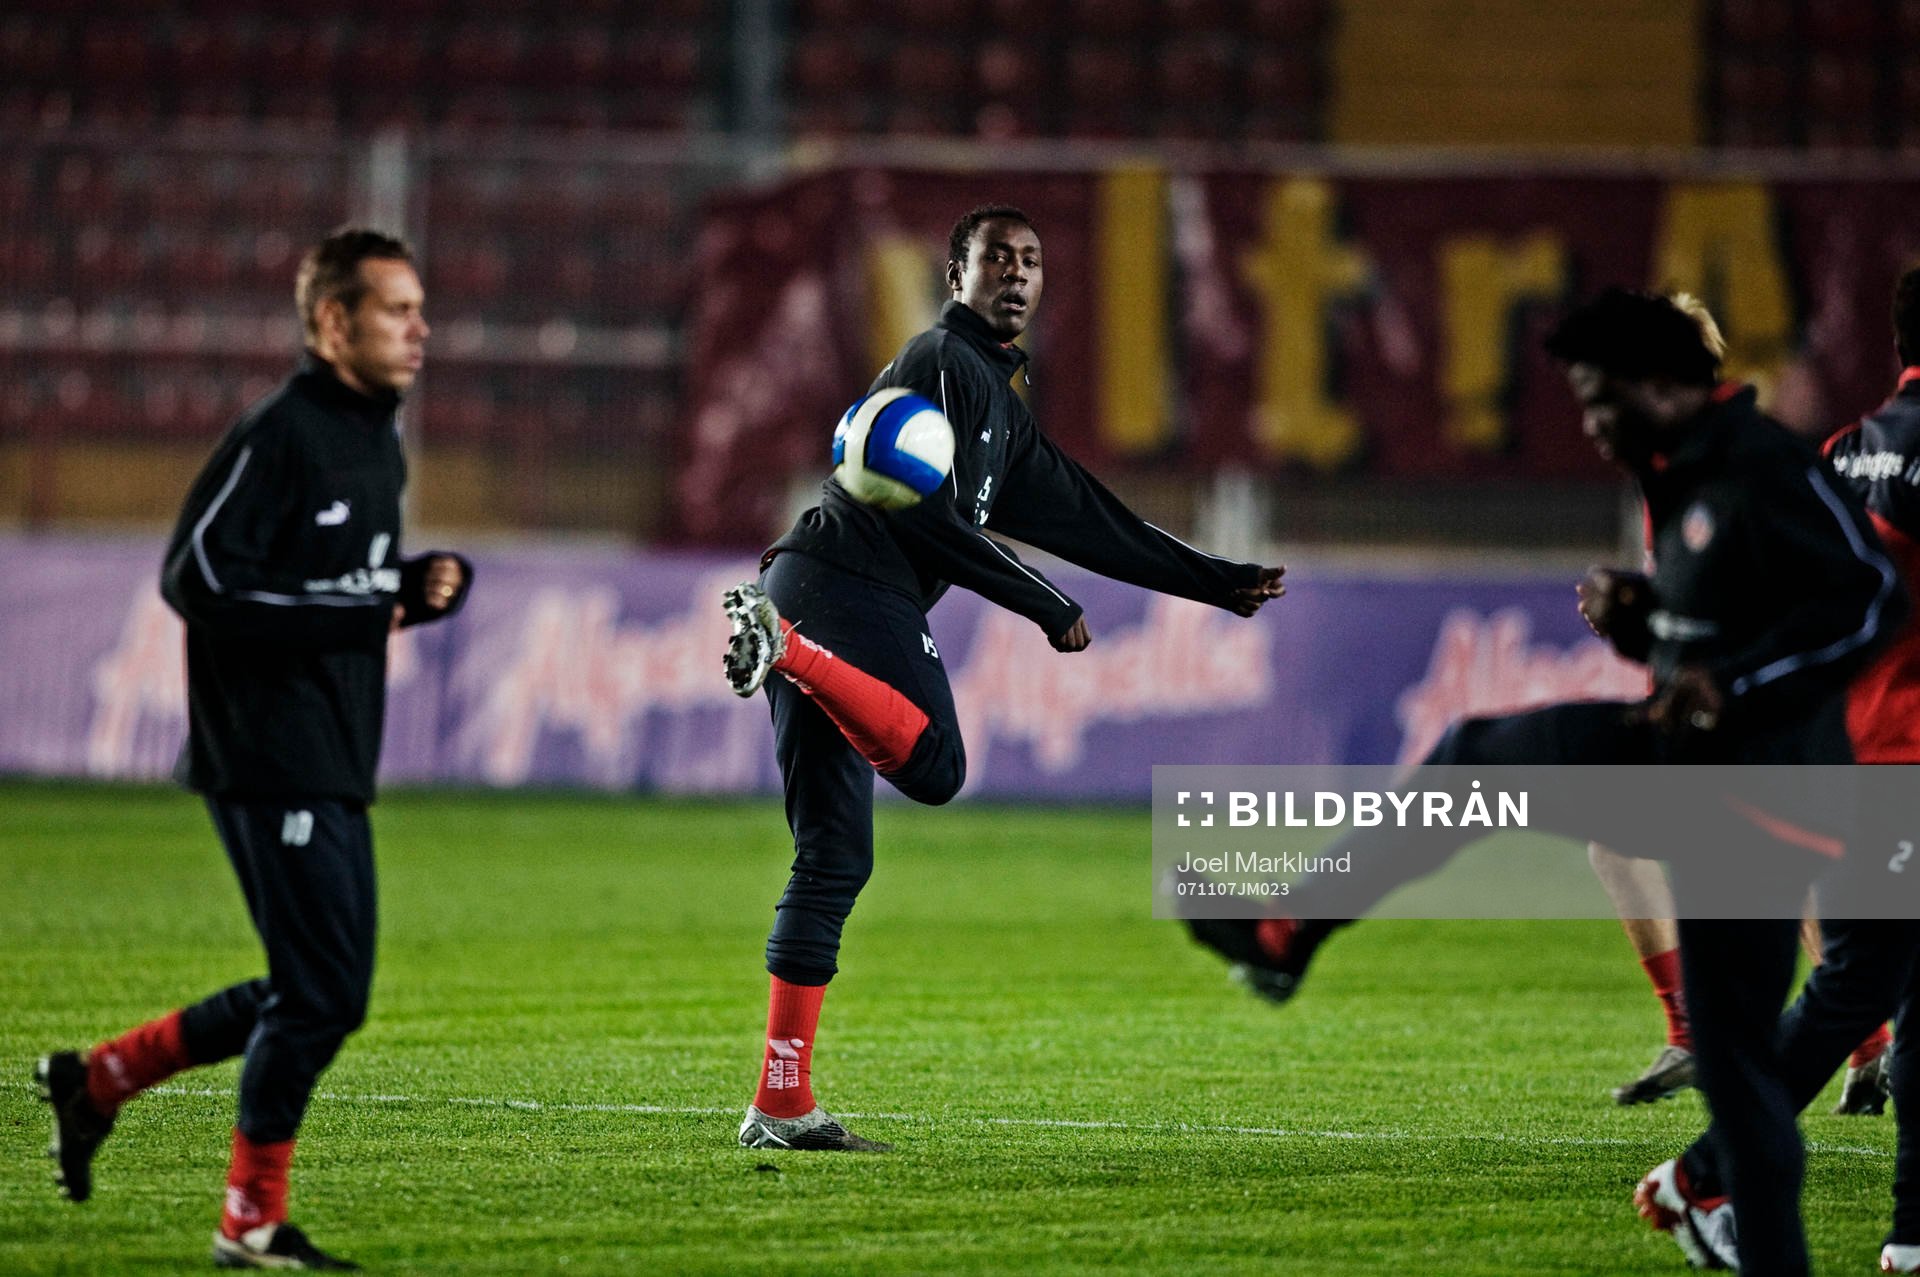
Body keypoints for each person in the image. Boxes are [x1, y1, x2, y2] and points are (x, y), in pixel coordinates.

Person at [1184, 287, 1903, 1276]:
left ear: (1666, 385)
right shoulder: (1686, 468)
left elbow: (1870, 600)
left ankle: (1291, 929)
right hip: (1708, 774)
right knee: (1740, 1081)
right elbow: (1742, 615)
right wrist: (1645, 616)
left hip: (1762, 790)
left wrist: (1730, 686)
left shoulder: (1766, 465)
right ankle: (1290, 931)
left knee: (1479, 752)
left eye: (1603, 398)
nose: (1591, 422)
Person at [721, 204, 1286, 1151]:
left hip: (807, 586)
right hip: (849, 588)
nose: (1016, 276)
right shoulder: (942, 365)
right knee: (937, 765)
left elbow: (1094, 519)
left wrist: (1212, 581)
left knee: (833, 855)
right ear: (956, 277)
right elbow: (923, 517)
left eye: (1030, 261)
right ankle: (786, 650)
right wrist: (1041, 600)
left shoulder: (998, 408)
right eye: (996, 260)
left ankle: (780, 1102)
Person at [33, 227, 470, 1271]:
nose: (421, 328)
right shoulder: (279, 434)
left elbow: (332, 588)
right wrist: (364, 603)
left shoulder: (379, 438)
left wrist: (407, 584)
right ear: (332, 323)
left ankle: (99, 1080)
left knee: (320, 988)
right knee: (319, 993)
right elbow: (198, 579)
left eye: (419, 308)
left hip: (330, 746)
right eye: (396, 309)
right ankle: (249, 1221)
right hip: (266, 747)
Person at [1642, 267, 1920, 1274]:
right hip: (1901, 758)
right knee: (1859, 986)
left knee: (1886, 985)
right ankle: (1702, 1173)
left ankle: (1908, 1231)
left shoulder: (1846, 452)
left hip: (1846, 750)